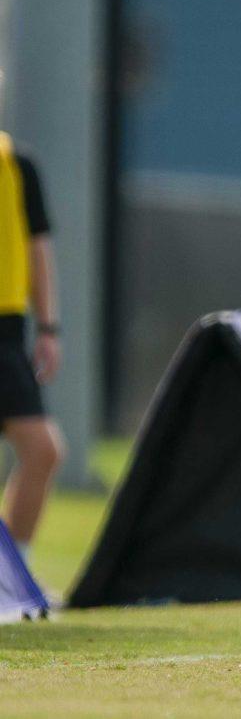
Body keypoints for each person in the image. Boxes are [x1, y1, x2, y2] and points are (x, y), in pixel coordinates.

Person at [0, 132, 65, 558]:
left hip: (7, 329)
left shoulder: (17, 163)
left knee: (42, 450)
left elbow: (37, 247)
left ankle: (11, 571)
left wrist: (48, 327)